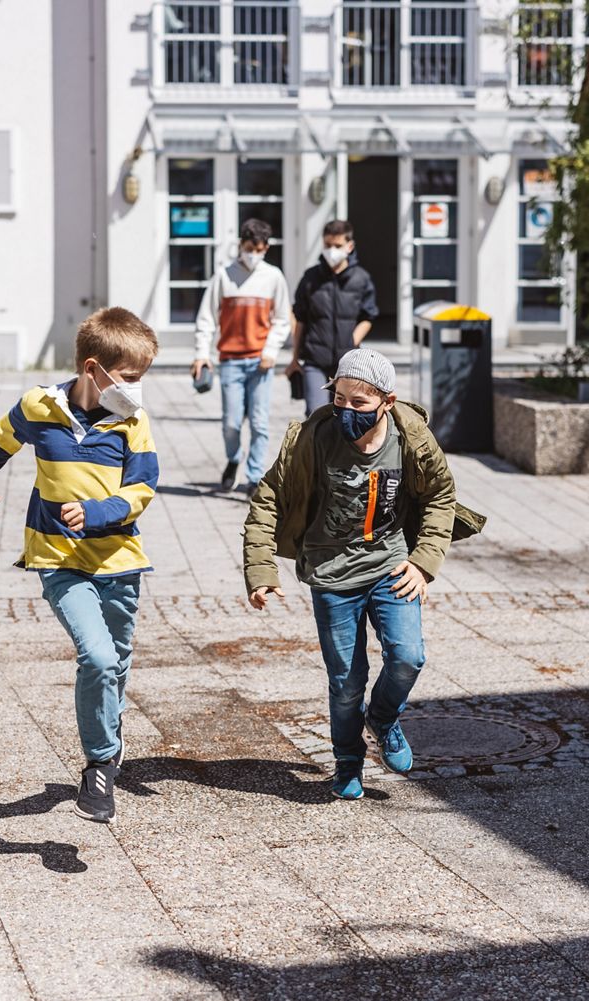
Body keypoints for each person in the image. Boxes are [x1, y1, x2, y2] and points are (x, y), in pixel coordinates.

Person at [0, 307, 160, 824]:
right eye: (131, 378)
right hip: (59, 559)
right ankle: (99, 764)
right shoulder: (40, 407)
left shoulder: (132, 421)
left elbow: (142, 489)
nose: (138, 390)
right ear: (93, 369)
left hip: (120, 560)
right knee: (95, 656)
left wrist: (97, 512)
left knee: (116, 658)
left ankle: (108, 742)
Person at [243, 348, 457, 800]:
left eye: (358, 403)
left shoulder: (410, 438)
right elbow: (267, 501)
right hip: (331, 573)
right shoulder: (312, 438)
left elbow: (441, 495)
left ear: (387, 401)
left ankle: (382, 719)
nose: (346, 411)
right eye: (339, 399)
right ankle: (347, 762)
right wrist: (261, 569)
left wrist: (423, 562)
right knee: (346, 681)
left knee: (408, 656)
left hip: (391, 565)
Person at [191, 219, 292, 491]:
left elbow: (283, 319)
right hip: (231, 362)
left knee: (259, 423)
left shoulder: (273, 277)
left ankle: (254, 476)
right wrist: (202, 354)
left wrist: (271, 351)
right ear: (240, 245)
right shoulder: (224, 276)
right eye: (249, 248)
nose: (254, 254)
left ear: (266, 248)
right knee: (231, 423)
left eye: (259, 249)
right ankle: (233, 459)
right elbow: (206, 319)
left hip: (261, 363)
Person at [287, 220, 379, 416]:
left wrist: (352, 341)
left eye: (337, 246)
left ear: (349, 246)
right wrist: (295, 358)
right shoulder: (311, 278)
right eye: (328, 245)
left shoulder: (361, 279)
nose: (332, 250)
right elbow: (300, 318)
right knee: (316, 414)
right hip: (314, 360)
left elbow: (368, 316)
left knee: (344, 415)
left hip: (347, 364)